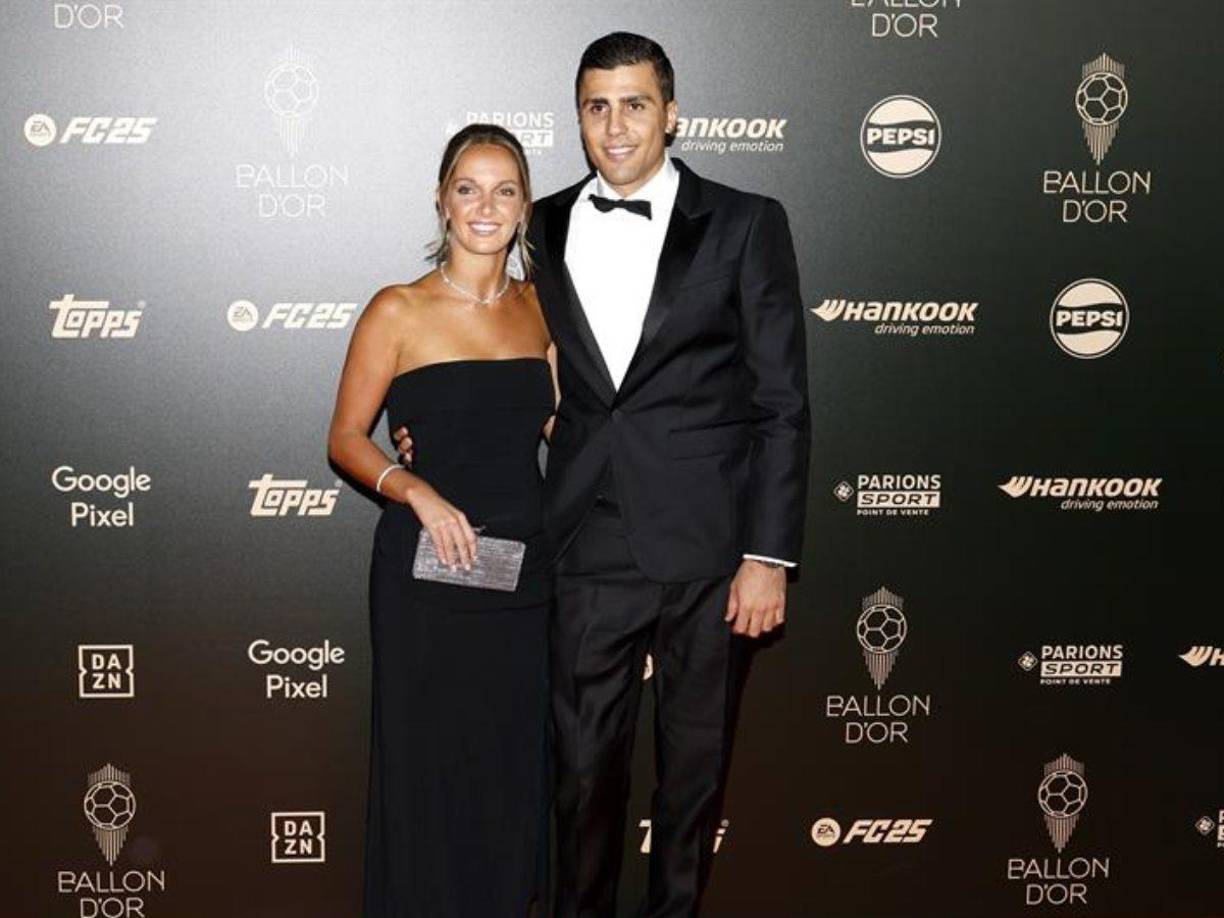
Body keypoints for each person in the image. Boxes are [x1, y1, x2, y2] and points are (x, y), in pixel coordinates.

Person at [398, 32, 809, 918]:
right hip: (586, 539)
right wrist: (430, 425)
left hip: (711, 549)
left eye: (634, 105)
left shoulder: (746, 222)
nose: (615, 126)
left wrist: (768, 556)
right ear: (578, 119)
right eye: (596, 107)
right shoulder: (541, 225)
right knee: (581, 778)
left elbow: (782, 401)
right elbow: (513, 353)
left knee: (693, 781)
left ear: (671, 113)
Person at [327, 123, 556, 918]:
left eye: (504, 190)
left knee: (510, 772)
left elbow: (570, 431)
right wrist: (413, 489)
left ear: (524, 207)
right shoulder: (398, 309)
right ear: (442, 201)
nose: (485, 207)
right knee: (426, 774)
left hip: (525, 584)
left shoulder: (543, 310)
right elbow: (345, 438)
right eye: (468, 189)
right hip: (424, 583)